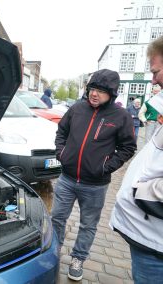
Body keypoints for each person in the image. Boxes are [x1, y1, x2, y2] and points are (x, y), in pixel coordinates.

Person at [52, 69, 137, 281]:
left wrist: (105, 167)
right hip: (67, 179)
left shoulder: (121, 116)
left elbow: (128, 147)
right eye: (92, 88)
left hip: (95, 185)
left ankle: (78, 258)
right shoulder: (77, 109)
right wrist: (61, 153)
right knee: (57, 218)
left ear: (112, 94)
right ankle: (54, 252)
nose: (94, 94)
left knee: (88, 225)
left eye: (100, 90)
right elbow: (61, 132)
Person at [110, 36, 163, 284]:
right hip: (148, 239)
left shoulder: (120, 115)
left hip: (156, 247)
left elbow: (128, 146)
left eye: (156, 71)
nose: (152, 80)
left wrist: (140, 191)